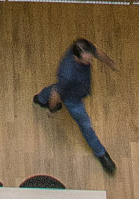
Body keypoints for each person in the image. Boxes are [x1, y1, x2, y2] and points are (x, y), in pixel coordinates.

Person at [49, 33, 116, 175]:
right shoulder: (67, 73)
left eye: (90, 57)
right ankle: (101, 153)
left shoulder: (83, 47)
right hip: (73, 100)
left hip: (75, 90)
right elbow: (56, 93)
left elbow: (96, 52)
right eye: (86, 60)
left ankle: (41, 99)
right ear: (76, 57)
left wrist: (109, 62)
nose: (90, 61)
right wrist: (52, 109)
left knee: (52, 90)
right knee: (86, 125)